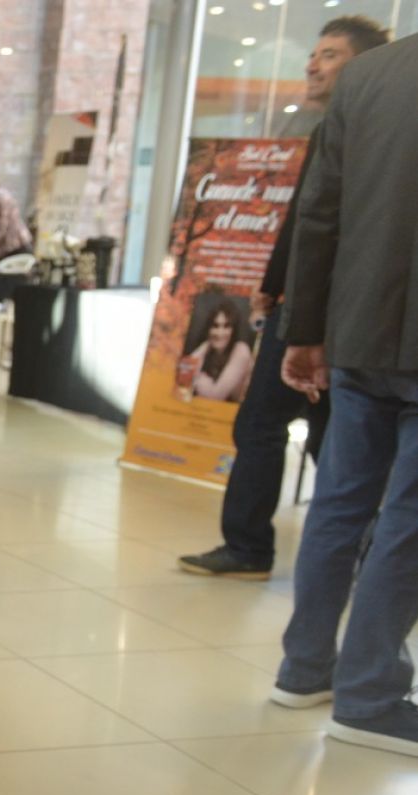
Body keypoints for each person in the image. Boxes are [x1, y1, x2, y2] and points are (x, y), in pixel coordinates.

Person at [179, 15, 387, 580]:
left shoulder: (361, 133)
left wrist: (289, 299)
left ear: (364, 67)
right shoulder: (334, 130)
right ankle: (328, 553)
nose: (312, 65)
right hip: (311, 304)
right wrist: (272, 286)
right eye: (314, 54)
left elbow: (318, 227)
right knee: (306, 431)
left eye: (330, 55)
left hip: (325, 311)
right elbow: (302, 223)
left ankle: (270, 550)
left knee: (288, 429)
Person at [273, 31, 418, 756]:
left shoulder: (366, 77)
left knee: (340, 502)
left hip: (359, 327)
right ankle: (369, 695)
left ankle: (304, 669)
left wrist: (304, 328)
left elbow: (318, 212)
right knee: (408, 518)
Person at [176, 295, 256, 402]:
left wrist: (197, 377)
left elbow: (215, 396)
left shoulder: (241, 351)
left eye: (226, 326)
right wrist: (207, 345)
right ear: (208, 328)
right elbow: (183, 379)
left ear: (233, 330)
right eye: (215, 326)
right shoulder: (209, 348)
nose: (220, 333)